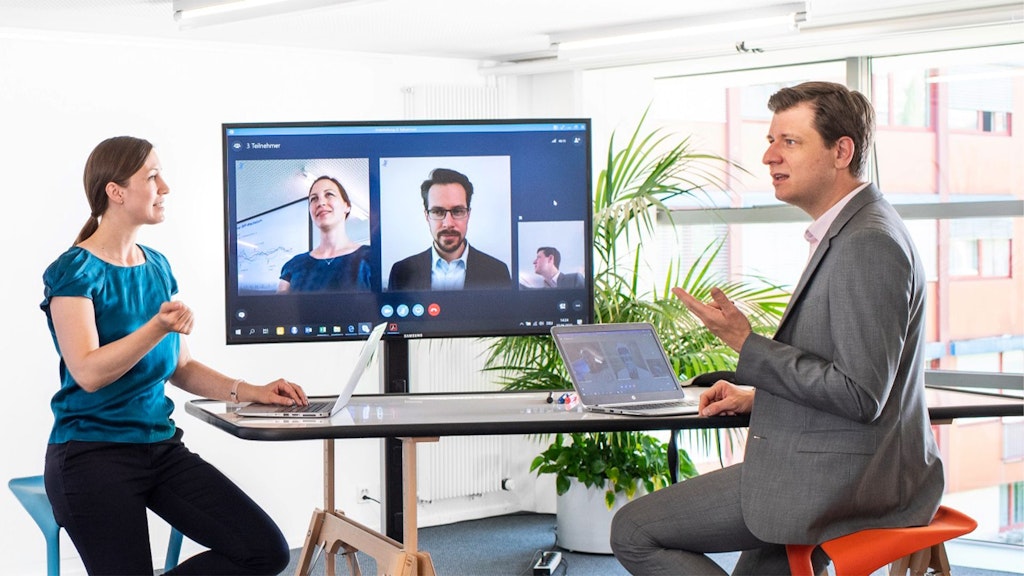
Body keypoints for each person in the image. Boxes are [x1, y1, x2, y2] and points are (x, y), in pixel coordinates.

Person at [610, 82, 944, 575]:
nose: (768, 156)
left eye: (789, 141)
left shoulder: (867, 242)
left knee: (634, 531)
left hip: (848, 479)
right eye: (770, 141)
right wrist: (757, 395)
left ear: (841, 151)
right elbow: (848, 372)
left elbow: (860, 394)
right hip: (846, 463)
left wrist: (748, 346)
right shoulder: (853, 229)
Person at [41, 136, 309, 575]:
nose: (165, 186)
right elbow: (88, 372)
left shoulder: (157, 266)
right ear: (116, 191)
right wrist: (156, 328)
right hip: (90, 457)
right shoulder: (74, 272)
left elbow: (181, 367)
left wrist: (251, 391)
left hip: (160, 449)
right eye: (152, 176)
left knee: (265, 551)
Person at [387, 167, 511, 290]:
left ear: (468, 214)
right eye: (438, 211)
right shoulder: (401, 272)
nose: (448, 223)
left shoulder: (498, 272)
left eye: (457, 211)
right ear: (427, 216)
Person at [278, 175, 371, 292]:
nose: (320, 202)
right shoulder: (293, 265)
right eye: (314, 199)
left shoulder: (371, 257)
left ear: (346, 206)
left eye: (329, 194)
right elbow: (277, 310)